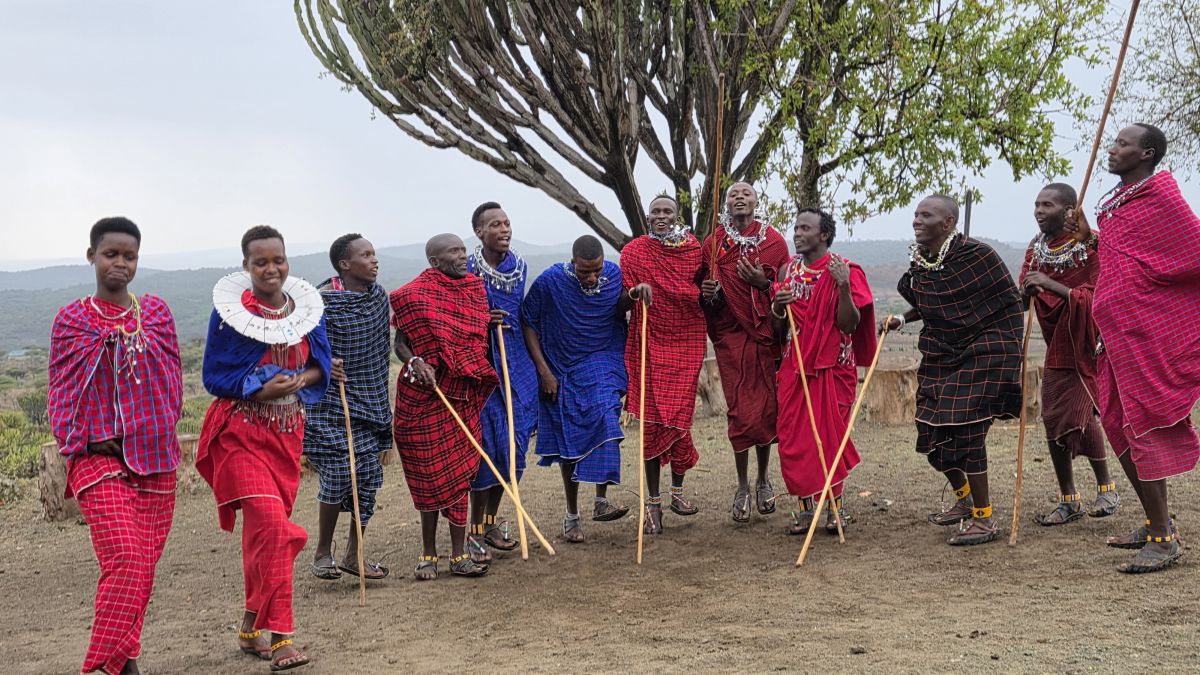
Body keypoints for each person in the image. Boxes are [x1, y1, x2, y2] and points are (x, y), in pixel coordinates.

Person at [48, 217, 183, 675]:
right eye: (111, 254)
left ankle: (124, 660)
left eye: (129, 256)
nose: (120, 263)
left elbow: (170, 382)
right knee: (125, 557)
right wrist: (83, 437)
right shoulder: (72, 320)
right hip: (95, 458)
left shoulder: (156, 316)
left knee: (141, 569)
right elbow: (61, 390)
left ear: (137, 261)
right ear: (92, 256)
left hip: (155, 458)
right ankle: (104, 666)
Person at [197, 225, 331, 671]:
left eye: (278, 260)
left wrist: (297, 381)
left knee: (262, 537)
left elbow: (320, 367)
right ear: (246, 266)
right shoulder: (229, 313)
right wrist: (258, 391)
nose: (271, 269)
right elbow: (215, 375)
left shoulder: (308, 310)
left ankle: (250, 625)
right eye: (261, 262)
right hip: (239, 433)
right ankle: (282, 638)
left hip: (287, 435)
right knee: (275, 528)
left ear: (287, 261)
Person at [1076, 123, 1200, 573]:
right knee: (1116, 423)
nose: (1112, 149)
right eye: (1113, 142)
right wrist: (1089, 236)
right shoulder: (1119, 204)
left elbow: (1192, 252)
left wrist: (1147, 306)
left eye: (1122, 144)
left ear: (1146, 154)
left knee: (1142, 427)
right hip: (1116, 338)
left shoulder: (1160, 199)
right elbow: (1122, 259)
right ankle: (1154, 521)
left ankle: (1165, 540)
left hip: (1145, 337)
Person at [884, 195, 1023, 546]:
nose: (916, 220)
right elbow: (932, 304)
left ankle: (985, 518)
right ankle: (963, 500)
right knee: (931, 432)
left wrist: (1003, 353)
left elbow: (1008, 303)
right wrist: (903, 317)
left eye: (925, 215)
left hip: (984, 353)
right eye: (915, 214)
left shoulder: (979, 257)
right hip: (942, 354)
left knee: (968, 432)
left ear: (948, 223)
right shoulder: (922, 262)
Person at [391, 233, 498, 579]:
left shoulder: (475, 290)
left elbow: (473, 336)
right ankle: (427, 555)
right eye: (454, 251)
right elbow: (401, 344)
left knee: (460, 476)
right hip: (424, 397)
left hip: (461, 395)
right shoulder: (414, 295)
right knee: (428, 478)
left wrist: (488, 322)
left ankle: (457, 555)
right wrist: (415, 361)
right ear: (434, 261)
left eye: (464, 250)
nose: (462, 256)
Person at [770, 209, 876, 536]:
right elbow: (778, 326)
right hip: (795, 365)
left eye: (805, 228)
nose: (797, 233)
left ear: (824, 235)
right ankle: (804, 509)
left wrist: (843, 287)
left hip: (833, 367)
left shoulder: (844, 270)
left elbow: (849, 323)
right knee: (793, 439)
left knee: (831, 438)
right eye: (796, 227)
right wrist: (778, 306)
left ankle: (835, 509)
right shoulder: (788, 270)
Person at [1018, 184, 1118, 527]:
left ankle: (1106, 489)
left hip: (1089, 343)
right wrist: (1029, 289)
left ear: (1069, 210)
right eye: (1036, 204)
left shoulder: (1090, 245)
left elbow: (1099, 296)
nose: (1039, 210)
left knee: (1077, 413)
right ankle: (1071, 498)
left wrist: (1050, 284)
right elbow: (1024, 298)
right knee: (1055, 417)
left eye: (1048, 204)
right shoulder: (1037, 248)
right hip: (1057, 343)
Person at [523, 234, 629, 543]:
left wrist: (632, 297)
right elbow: (528, 322)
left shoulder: (614, 275)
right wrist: (544, 372)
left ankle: (601, 500)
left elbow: (619, 307)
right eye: (585, 271)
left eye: (596, 270)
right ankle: (572, 515)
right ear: (573, 263)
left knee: (607, 418)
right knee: (569, 443)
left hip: (603, 359)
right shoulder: (551, 281)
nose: (592, 277)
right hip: (562, 366)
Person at [303, 234, 393, 581]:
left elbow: (380, 350)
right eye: (365, 255)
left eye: (374, 253)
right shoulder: (321, 301)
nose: (374, 260)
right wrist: (325, 364)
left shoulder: (377, 296)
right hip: (331, 402)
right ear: (345, 264)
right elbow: (300, 348)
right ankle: (323, 552)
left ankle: (355, 554)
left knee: (369, 476)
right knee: (341, 471)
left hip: (369, 399)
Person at [700, 181, 789, 522]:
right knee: (739, 411)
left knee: (765, 411)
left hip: (764, 335)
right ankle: (741, 485)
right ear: (725, 204)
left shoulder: (774, 242)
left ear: (756, 202)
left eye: (746, 193)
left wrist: (760, 283)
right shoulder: (714, 243)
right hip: (730, 337)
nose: (740, 198)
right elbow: (705, 294)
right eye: (733, 194)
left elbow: (783, 287)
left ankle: (764, 479)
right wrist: (709, 292)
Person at [620, 194, 707, 535]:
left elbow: (702, 290)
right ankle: (652, 504)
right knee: (653, 424)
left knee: (680, 419)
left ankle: (677, 493)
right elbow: (623, 297)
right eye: (655, 211)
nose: (661, 216)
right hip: (649, 342)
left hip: (686, 340)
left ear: (677, 215)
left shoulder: (694, 250)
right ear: (647, 216)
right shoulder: (634, 252)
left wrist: (709, 290)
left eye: (667, 211)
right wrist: (635, 292)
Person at [465, 203, 538, 563]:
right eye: (495, 224)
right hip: (481, 367)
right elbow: (454, 313)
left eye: (507, 222)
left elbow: (522, 312)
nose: (504, 229)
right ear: (480, 232)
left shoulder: (519, 267)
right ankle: (474, 531)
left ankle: (491, 522)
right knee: (489, 450)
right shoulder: (465, 268)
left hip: (514, 362)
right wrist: (479, 318)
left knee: (514, 449)